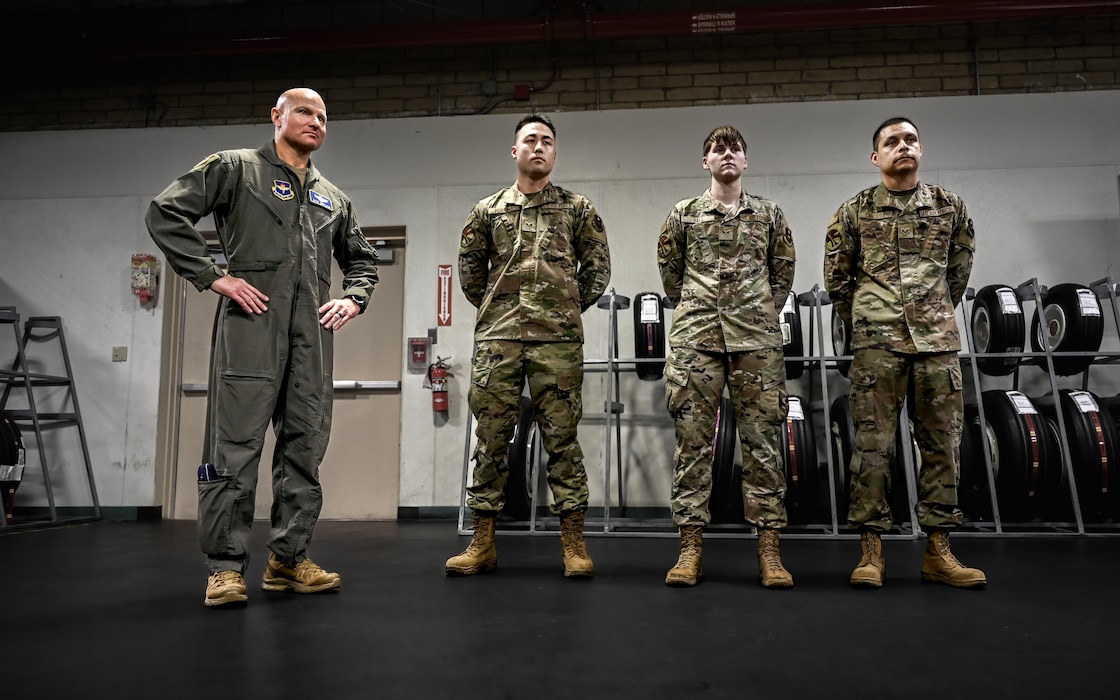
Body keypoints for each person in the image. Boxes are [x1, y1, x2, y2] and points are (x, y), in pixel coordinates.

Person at [146, 88, 379, 607]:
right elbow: (166, 212)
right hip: (250, 331)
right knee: (233, 450)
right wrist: (213, 277)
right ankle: (225, 568)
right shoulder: (237, 168)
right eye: (305, 112)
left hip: (310, 343)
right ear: (276, 116)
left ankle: (288, 561)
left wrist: (354, 299)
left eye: (323, 116)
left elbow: (362, 262)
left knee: (304, 450)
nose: (316, 122)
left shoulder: (333, 198)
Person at [446, 114, 611, 579]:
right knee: (491, 440)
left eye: (547, 142)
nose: (538, 147)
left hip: (557, 343)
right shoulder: (487, 211)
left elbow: (597, 270)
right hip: (498, 340)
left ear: (555, 154)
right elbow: (470, 274)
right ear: (514, 152)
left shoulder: (578, 209)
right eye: (530, 140)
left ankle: (574, 545)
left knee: (563, 441)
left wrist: (562, 309)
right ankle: (482, 543)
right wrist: (501, 310)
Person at [823, 116, 985, 589]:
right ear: (876, 157)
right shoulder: (852, 212)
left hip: (936, 344)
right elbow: (838, 279)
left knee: (942, 447)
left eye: (910, 140)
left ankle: (939, 552)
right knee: (873, 447)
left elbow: (959, 271)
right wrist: (871, 320)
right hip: (877, 345)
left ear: (921, 150)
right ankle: (871, 553)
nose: (903, 147)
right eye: (892, 142)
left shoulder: (950, 207)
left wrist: (932, 312)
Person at [656, 125, 797, 588]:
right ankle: (690, 547)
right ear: (706, 162)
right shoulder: (683, 215)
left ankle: (770, 551)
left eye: (735, 148)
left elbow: (783, 274)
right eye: (718, 149)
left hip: (756, 344)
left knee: (764, 445)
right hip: (697, 342)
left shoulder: (770, 214)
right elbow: (671, 276)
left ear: (746, 160)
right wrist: (702, 308)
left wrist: (758, 313)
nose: (727, 154)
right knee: (693, 446)